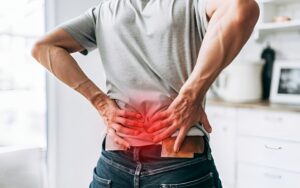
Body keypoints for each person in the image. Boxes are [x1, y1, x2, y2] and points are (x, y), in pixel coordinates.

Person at [31, 0, 259, 187]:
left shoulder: (106, 11)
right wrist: (191, 94)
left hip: (115, 162)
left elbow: (43, 47)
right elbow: (242, 8)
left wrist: (100, 101)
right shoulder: (193, 4)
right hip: (176, 158)